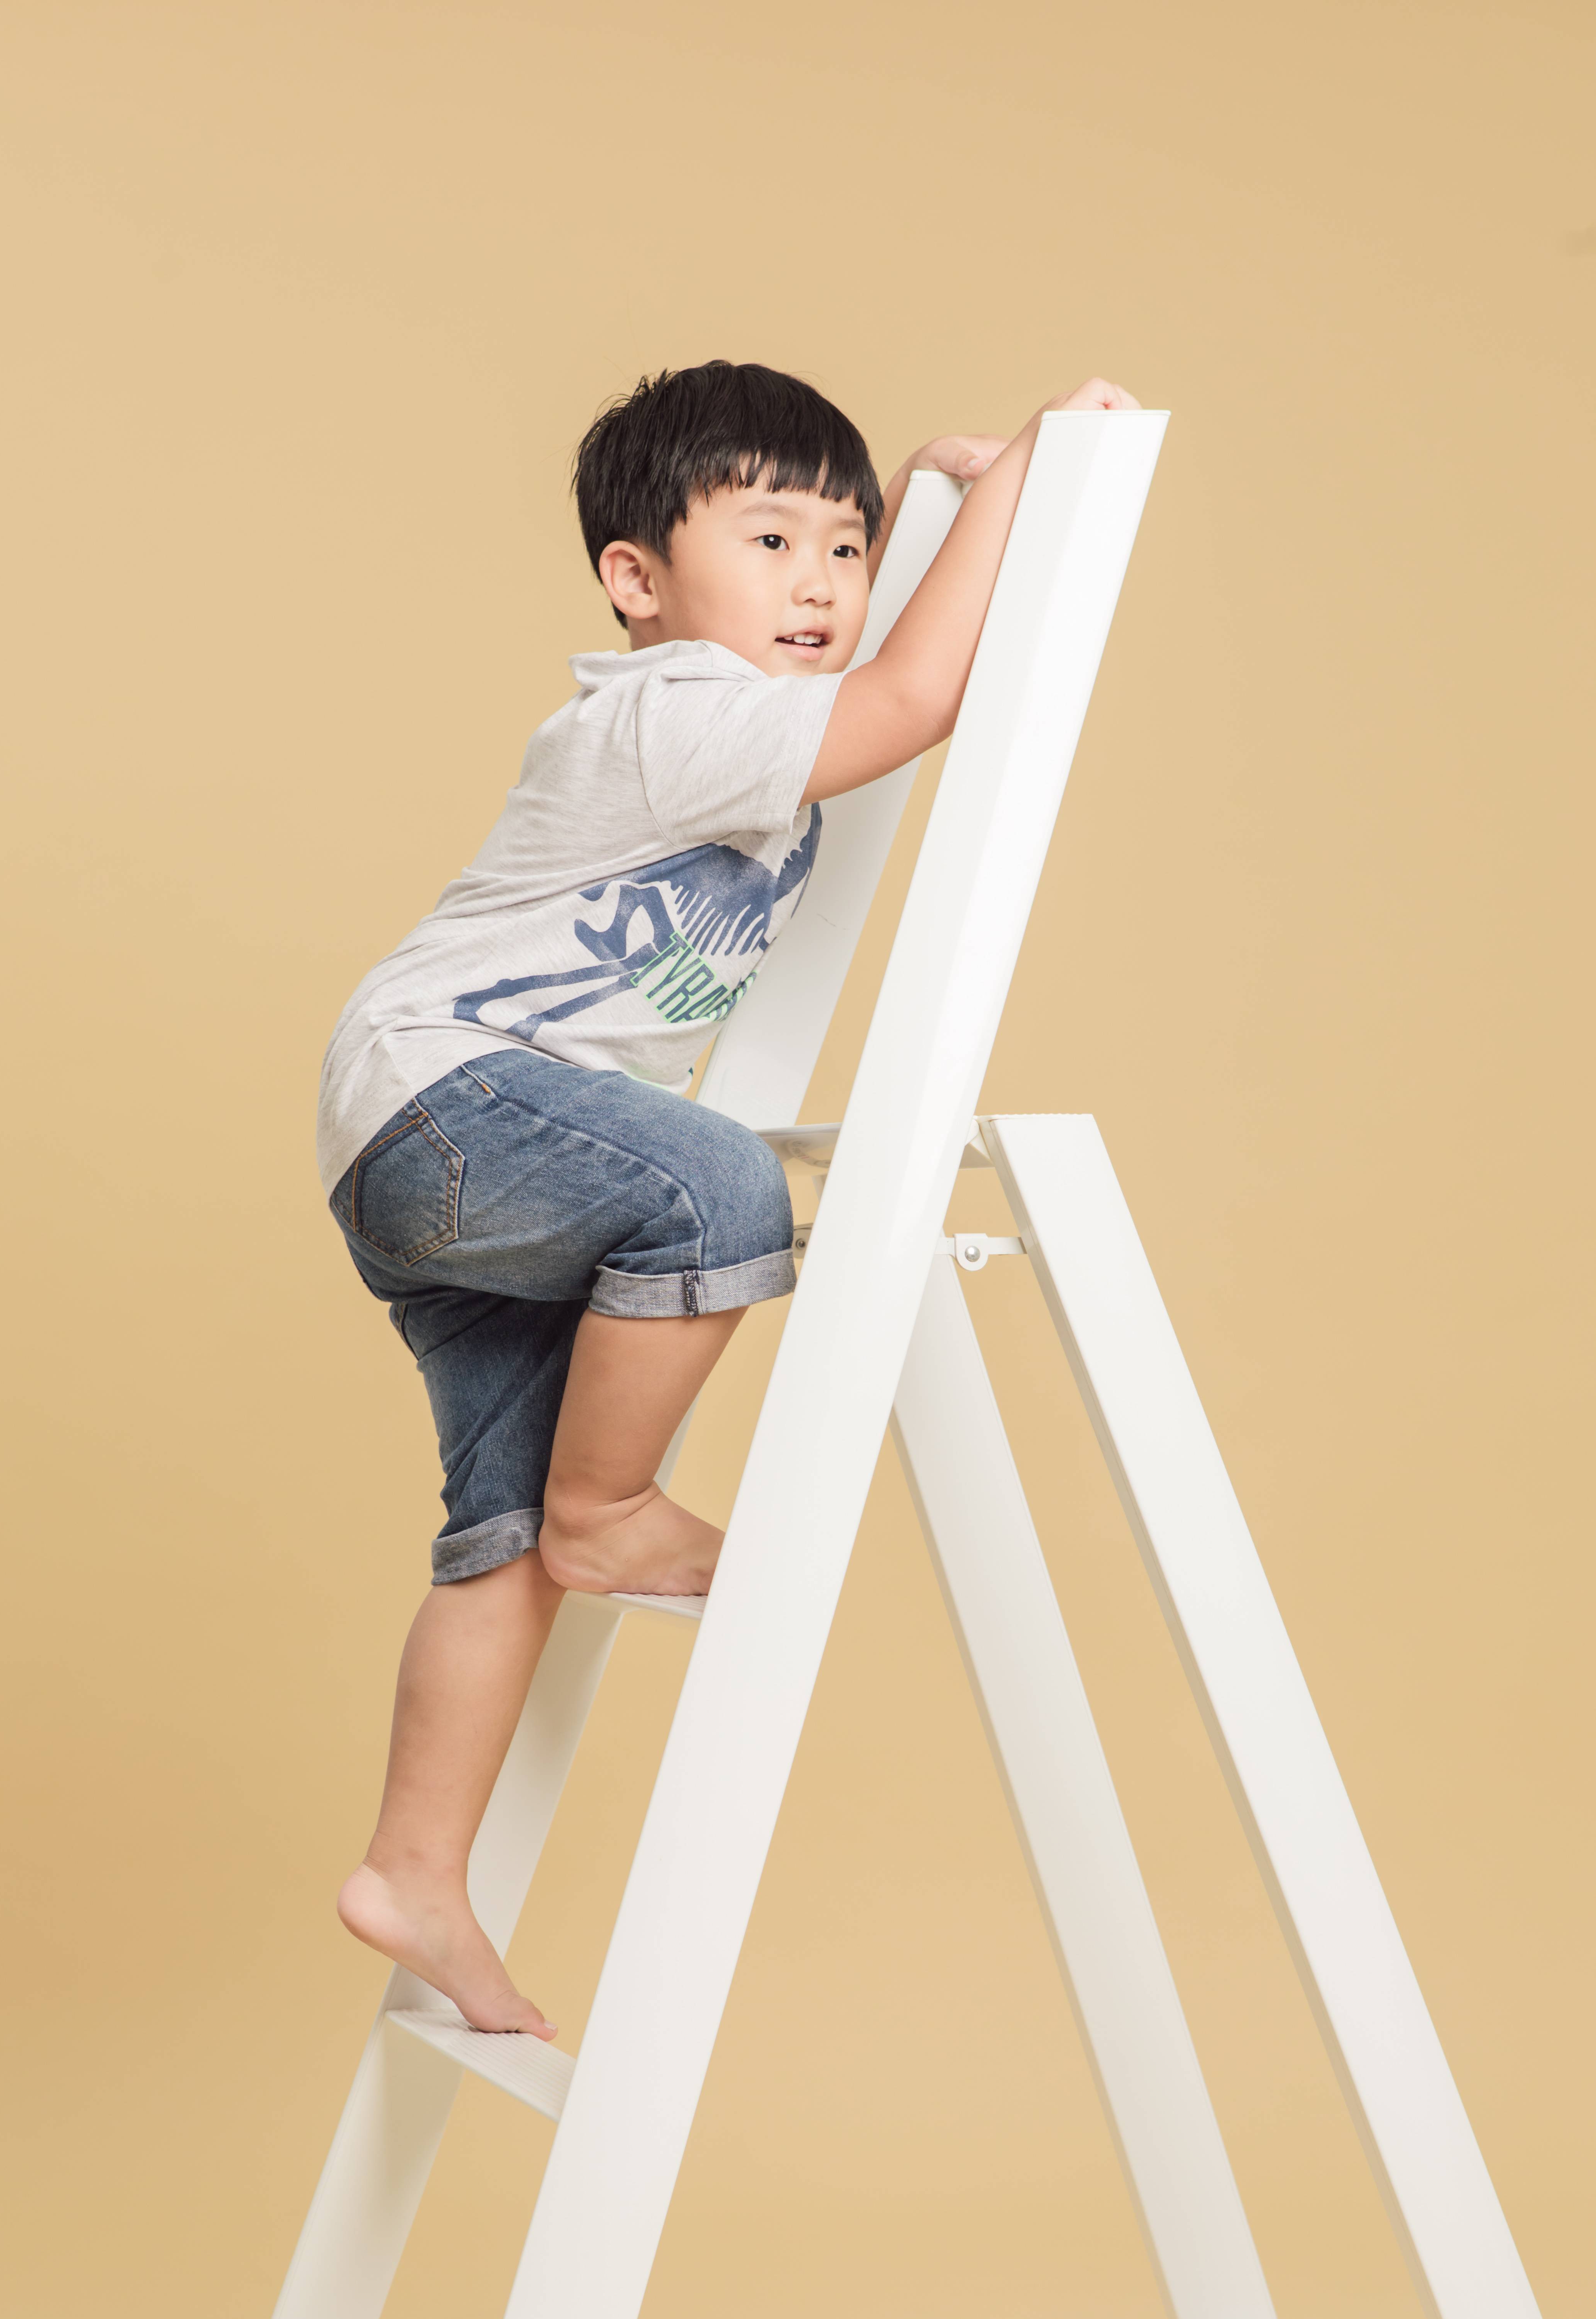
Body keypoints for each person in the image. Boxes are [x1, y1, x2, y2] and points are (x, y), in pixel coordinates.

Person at [319, 359, 1138, 2037]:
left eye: (845, 550)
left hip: (462, 1155)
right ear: (638, 580)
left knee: (501, 1543)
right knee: (716, 1188)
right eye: (771, 543)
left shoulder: (744, 703)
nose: (819, 584)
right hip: (456, 1101)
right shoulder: (677, 710)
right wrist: (1032, 468)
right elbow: (913, 697)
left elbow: (882, 661)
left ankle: (415, 1872)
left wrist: (934, 505)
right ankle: (614, 1506)